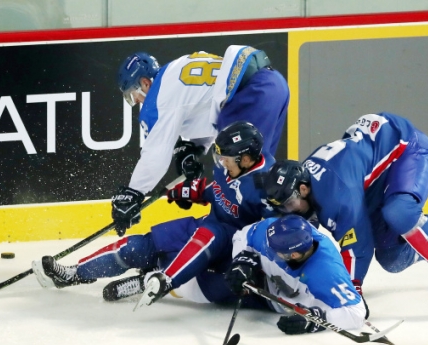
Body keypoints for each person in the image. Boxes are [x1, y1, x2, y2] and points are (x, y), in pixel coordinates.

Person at [32, 121, 276, 306]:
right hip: (207, 223)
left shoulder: (266, 184)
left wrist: (250, 259)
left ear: (245, 159)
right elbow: (219, 190)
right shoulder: (231, 165)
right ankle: (74, 273)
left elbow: (273, 229)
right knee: (140, 247)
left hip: (230, 242)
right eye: (219, 157)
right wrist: (188, 192)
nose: (221, 163)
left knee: (201, 258)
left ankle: (159, 279)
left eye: (226, 159)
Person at [262, 112, 428, 318]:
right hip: (372, 175)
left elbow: (358, 247)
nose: (290, 212)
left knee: (399, 211)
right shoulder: (310, 185)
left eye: (290, 204)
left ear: (303, 189)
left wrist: (350, 293)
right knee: (392, 258)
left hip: (408, 148)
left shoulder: (336, 196)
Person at [111, 46, 289, 234]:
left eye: (133, 93)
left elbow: (155, 154)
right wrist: (195, 147)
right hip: (273, 85)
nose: (137, 100)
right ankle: (285, 227)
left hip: (252, 94)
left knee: (234, 168)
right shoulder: (176, 69)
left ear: (145, 83)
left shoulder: (157, 98)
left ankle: (234, 239)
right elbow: (211, 106)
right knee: (260, 168)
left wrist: (133, 193)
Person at [224, 214, 367, 334]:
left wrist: (314, 320)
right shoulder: (272, 231)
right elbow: (241, 236)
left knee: (208, 289)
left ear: (293, 254)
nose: (267, 250)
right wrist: (242, 259)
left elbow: (357, 313)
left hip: (272, 301)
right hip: (260, 277)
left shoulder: (327, 272)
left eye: (275, 251)